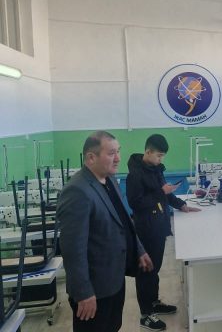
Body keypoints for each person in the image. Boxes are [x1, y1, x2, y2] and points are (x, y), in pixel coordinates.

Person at [57, 131, 154, 332]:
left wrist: (139, 249)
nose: (118, 158)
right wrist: (83, 292)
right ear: (91, 157)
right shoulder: (77, 191)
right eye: (111, 153)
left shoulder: (109, 180)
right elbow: (73, 250)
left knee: (113, 326)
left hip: (114, 280)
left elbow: (124, 221)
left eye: (118, 151)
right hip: (94, 290)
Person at [126, 134, 200, 331]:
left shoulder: (156, 169)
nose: (161, 159)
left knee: (155, 268)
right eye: (159, 155)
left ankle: (154, 303)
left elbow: (166, 194)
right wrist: (162, 192)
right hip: (146, 229)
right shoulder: (135, 174)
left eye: (162, 156)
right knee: (146, 271)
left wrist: (182, 205)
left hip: (159, 226)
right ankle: (145, 315)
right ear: (148, 152)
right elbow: (135, 203)